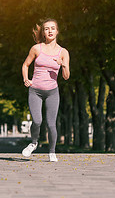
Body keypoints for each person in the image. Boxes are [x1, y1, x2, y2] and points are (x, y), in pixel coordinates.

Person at [21, 18, 70, 162]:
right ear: (43, 32)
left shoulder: (63, 52)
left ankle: (52, 152)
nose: (50, 31)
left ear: (57, 31)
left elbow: (66, 77)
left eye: (52, 28)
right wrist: (26, 78)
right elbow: (25, 65)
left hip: (52, 92)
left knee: (51, 123)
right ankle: (34, 143)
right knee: (37, 121)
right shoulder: (36, 48)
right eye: (46, 28)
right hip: (35, 90)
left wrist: (63, 65)